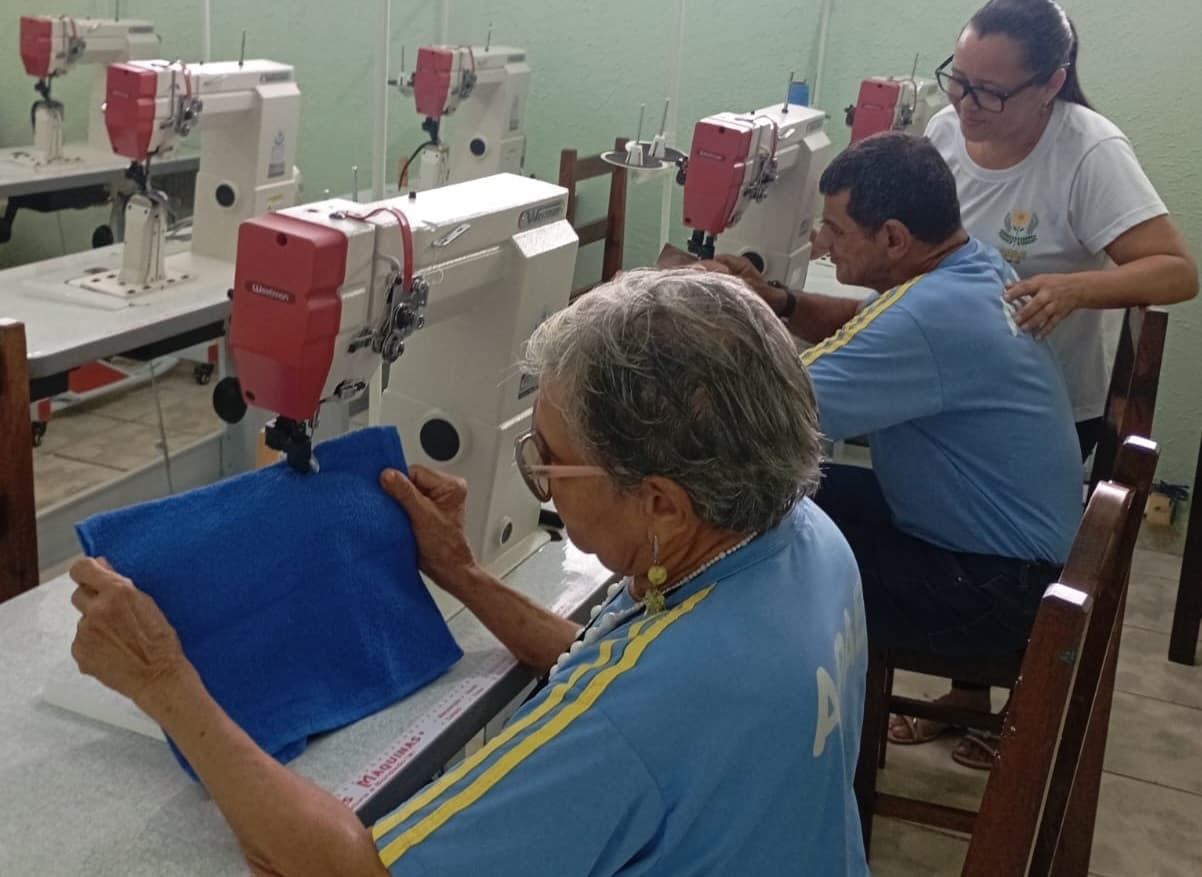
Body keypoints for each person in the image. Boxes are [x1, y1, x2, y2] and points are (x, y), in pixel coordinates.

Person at [67, 269, 870, 876]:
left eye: (551, 460)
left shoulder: (634, 717)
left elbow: (356, 871)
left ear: (661, 503)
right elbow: (612, 660)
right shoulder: (804, 538)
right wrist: (461, 572)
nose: (540, 477)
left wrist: (165, 678)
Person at [701, 132, 1082, 769]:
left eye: (834, 228)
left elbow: (770, 409)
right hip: (1010, 557)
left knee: (750, 544)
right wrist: (776, 304)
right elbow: (865, 326)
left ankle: (776, 756)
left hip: (995, 592)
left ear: (894, 239)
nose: (822, 242)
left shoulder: (929, 316)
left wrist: (703, 329)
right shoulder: (972, 269)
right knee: (785, 495)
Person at [926, 0, 1198, 459]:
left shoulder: (1089, 152)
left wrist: (1075, 289)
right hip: (952, 378)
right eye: (959, 80)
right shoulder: (943, 131)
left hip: (1046, 405)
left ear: (1051, 84)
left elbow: (1178, 273)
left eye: (989, 91)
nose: (965, 104)